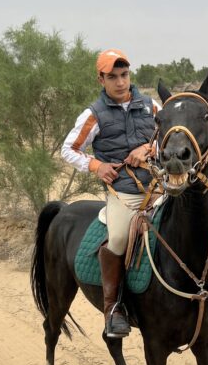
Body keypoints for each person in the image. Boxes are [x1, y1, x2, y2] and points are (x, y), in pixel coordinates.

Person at [61, 49, 161, 338]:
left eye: (125, 75)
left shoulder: (150, 106)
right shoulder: (93, 115)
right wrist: (96, 165)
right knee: (118, 238)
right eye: (113, 77)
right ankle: (113, 309)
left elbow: (167, 137)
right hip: (125, 192)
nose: (120, 82)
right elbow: (68, 149)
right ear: (101, 79)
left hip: (158, 186)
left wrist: (148, 149)